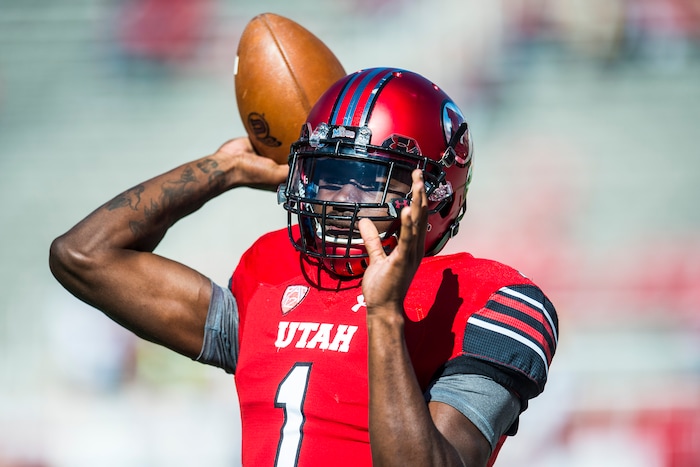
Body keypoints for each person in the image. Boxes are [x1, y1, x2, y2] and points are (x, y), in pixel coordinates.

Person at [49, 67, 558, 467]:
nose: (338, 197)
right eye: (327, 174)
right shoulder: (273, 273)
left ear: (437, 191)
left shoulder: (489, 298)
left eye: (367, 180)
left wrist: (383, 314)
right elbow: (82, 257)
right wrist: (223, 168)